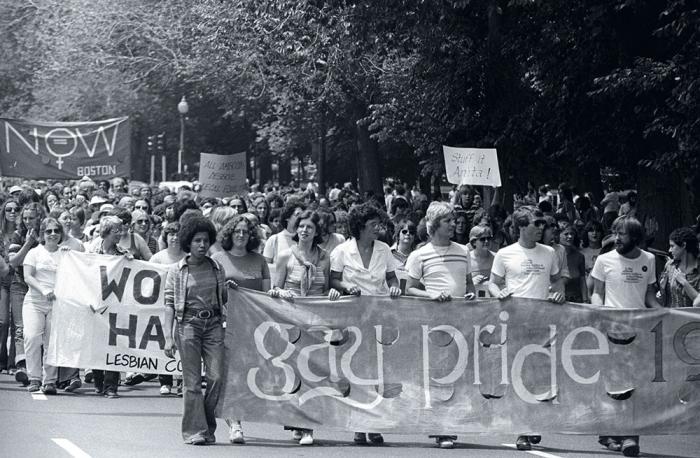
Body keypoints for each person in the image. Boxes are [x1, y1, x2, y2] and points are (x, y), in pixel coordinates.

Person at [487, 205, 564, 452]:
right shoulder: (505, 253)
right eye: (536, 224)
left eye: (543, 224)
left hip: (542, 323)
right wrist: (499, 293)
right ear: (521, 227)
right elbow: (492, 283)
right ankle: (521, 428)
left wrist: (560, 292)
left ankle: (533, 422)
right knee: (518, 375)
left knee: (538, 375)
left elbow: (557, 280)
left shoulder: (550, 252)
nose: (542, 229)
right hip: (515, 322)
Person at [404, 202, 476, 449]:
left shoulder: (463, 251)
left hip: (460, 322)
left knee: (457, 373)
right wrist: (431, 295)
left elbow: (469, 283)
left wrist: (471, 296)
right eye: (448, 221)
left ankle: (450, 425)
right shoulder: (419, 254)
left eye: (454, 220)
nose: (454, 224)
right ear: (434, 226)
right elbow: (409, 288)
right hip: (432, 323)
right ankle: (439, 427)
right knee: (437, 373)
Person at [590, 216, 661, 457]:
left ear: (635, 237)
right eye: (615, 233)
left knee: (635, 385)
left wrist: (662, 312)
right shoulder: (604, 260)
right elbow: (596, 293)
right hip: (610, 330)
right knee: (613, 385)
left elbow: (649, 295)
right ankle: (611, 432)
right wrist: (599, 311)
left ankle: (631, 436)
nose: (617, 238)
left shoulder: (649, 260)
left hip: (638, 331)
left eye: (623, 234)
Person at [269, 210, 340, 446]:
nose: (304, 230)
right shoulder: (284, 256)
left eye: (309, 227)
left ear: (317, 231)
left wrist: (332, 293)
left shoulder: (325, 257)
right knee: (294, 375)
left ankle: (308, 426)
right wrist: (282, 292)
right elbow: (274, 289)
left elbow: (326, 288)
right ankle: (296, 422)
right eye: (301, 226)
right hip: (291, 323)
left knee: (312, 375)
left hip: (316, 323)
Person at [163, 215, 233, 445]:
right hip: (188, 326)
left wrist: (230, 289)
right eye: (197, 241)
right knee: (192, 382)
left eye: (205, 240)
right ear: (188, 243)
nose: (202, 245)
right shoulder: (177, 271)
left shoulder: (216, 267)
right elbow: (169, 303)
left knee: (216, 377)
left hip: (213, 325)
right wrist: (167, 337)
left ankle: (205, 425)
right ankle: (195, 431)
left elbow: (224, 299)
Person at [212, 216, 271, 445]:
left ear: (252, 236)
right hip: (227, 325)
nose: (241, 235)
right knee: (231, 376)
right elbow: (210, 293)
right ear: (229, 234)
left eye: (246, 232)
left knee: (251, 376)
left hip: (255, 327)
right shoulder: (218, 259)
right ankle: (234, 423)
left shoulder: (259, 260)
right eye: (237, 231)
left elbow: (267, 295)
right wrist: (225, 291)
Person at [87, 216, 134, 397]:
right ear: (106, 232)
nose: (120, 234)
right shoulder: (91, 250)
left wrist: (131, 261)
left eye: (121, 230)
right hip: (94, 302)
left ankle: (111, 386)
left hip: (115, 304)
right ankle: (99, 381)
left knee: (113, 344)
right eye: (116, 231)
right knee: (97, 344)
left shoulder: (123, 253)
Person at [21, 218, 66, 394]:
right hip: (35, 301)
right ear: (42, 234)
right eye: (48, 231)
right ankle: (34, 377)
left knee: (51, 341)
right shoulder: (34, 253)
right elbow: (28, 276)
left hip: (57, 303)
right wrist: (44, 290)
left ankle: (50, 381)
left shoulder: (65, 253)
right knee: (32, 337)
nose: (53, 234)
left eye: (56, 230)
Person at [8, 202, 45, 386]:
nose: (28, 221)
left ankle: (41, 368)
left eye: (32, 218)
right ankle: (22, 366)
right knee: (21, 328)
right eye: (25, 218)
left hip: (42, 286)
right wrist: (28, 243)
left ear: (39, 218)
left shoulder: (48, 233)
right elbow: (13, 262)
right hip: (20, 284)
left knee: (39, 331)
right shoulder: (18, 235)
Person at [658, 227, 700, 308]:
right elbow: (663, 300)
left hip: (693, 319)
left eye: (672, 246)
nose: (669, 250)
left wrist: (684, 282)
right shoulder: (670, 266)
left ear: (684, 245)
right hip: (672, 318)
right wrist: (662, 289)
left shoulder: (698, 269)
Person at [560, 224, 587, 302]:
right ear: (559, 235)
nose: (570, 236)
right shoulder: (552, 254)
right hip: (558, 301)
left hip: (576, 300)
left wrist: (585, 301)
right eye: (566, 234)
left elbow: (582, 280)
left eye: (572, 234)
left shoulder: (579, 256)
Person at [468, 225, 495, 299]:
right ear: (473, 242)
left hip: (491, 300)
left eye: (489, 238)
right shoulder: (467, 259)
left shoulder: (496, 258)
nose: (486, 241)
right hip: (472, 300)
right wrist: (471, 282)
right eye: (482, 239)